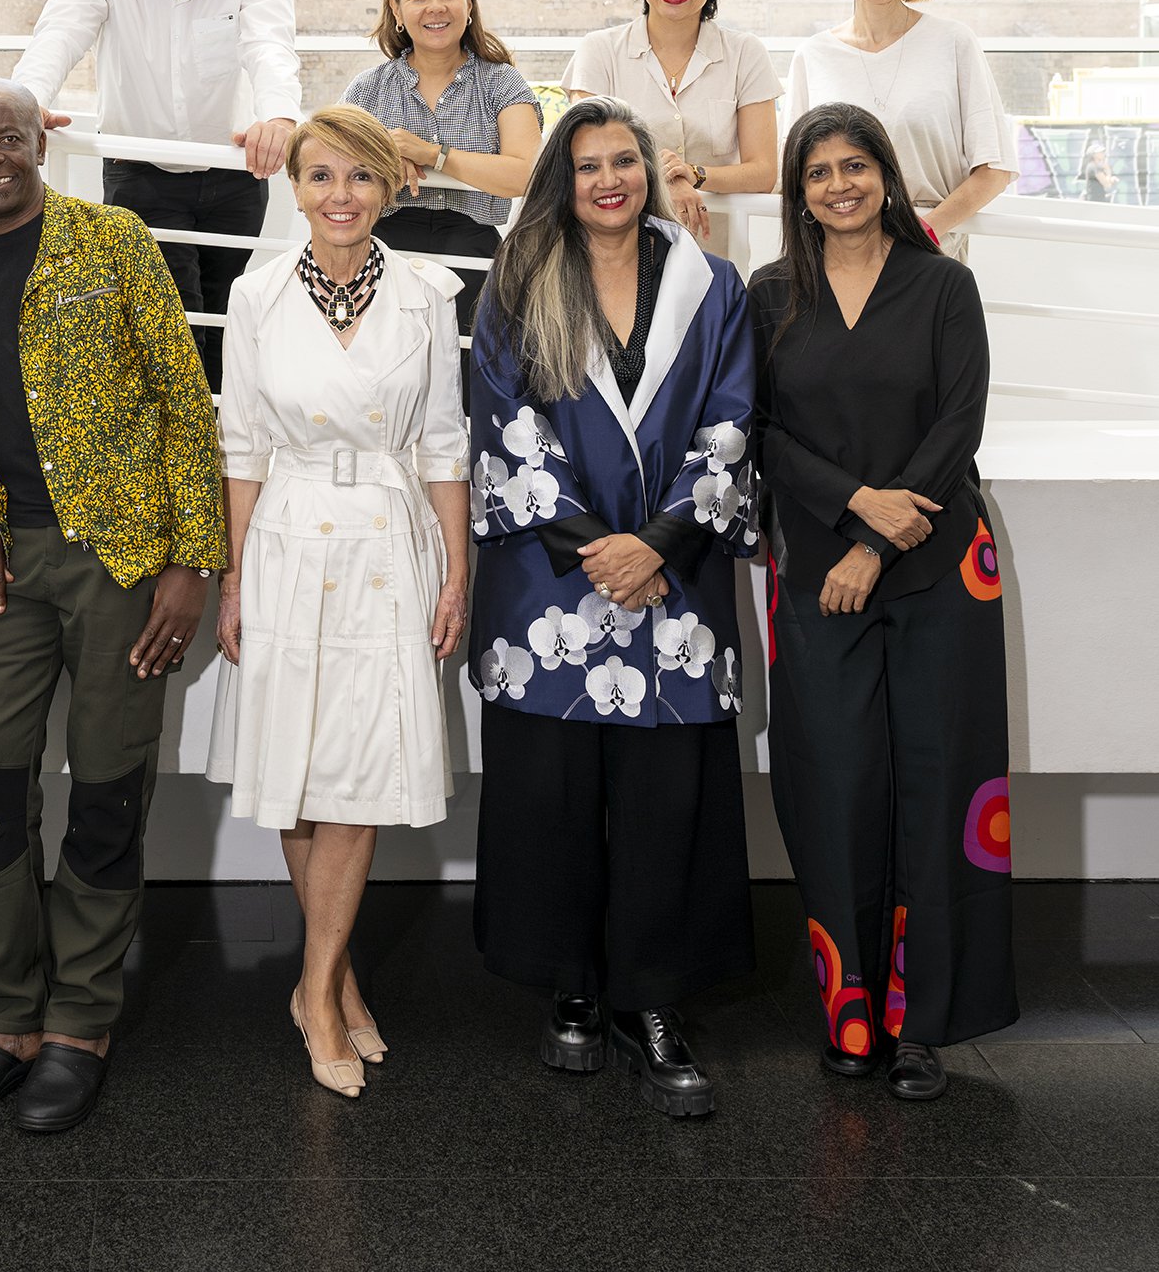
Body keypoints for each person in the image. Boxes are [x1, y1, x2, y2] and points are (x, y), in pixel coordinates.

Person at [0, 80, 226, 1133]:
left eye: (7, 137)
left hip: (121, 564)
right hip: (0, 578)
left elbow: (185, 400)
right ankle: (4, 1023)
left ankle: (80, 1024)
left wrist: (193, 563)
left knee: (102, 795)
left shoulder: (113, 241)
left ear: (41, 143)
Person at [466, 96, 759, 1120]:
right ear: (563, 176)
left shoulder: (710, 285)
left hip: (671, 580)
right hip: (555, 582)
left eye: (623, 160)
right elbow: (506, 431)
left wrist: (660, 543)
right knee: (548, 802)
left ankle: (654, 1001)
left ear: (649, 169)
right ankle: (574, 988)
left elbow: (731, 424)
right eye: (586, 163)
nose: (606, 179)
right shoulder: (516, 281)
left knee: (663, 804)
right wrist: (598, 550)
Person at [749, 102, 1018, 1101]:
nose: (838, 186)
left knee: (937, 785)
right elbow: (760, 432)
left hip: (941, 563)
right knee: (833, 785)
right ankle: (850, 1012)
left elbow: (960, 420)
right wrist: (854, 512)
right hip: (817, 572)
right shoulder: (769, 291)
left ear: (886, 176)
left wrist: (877, 535)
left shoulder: (943, 284)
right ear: (798, 193)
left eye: (855, 166)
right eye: (817, 173)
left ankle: (922, 1025)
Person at [206, 106, 470, 1099]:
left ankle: (313, 988)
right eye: (319, 176)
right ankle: (334, 979)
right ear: (294, 186)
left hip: (385, 543)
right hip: (284, 538)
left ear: (387, 185)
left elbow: (443, 441)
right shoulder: (256, 292)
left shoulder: (426, 294)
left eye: (358, 177)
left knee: (354, 773)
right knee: (301, 767)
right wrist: (233, 578)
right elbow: (241, 449)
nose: (339, 196)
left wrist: (457, 569)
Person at [11, 0, 303, 389]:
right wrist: (24, 105)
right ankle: (174, 459)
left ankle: (214, 457)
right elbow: (59, 34)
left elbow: (269, 43)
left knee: (223, 319)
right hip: (139, 173)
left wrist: (280, 117)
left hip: (235, 171)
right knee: (170, 327)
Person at [786, 0, 1015, 258]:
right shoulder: (813, 56)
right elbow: (796, 176)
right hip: (837, 253)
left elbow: (995, 170)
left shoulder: (953, 42)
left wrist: (924, 232)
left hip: (928, 249)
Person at [341, 0, 543, 352]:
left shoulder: (502, 82)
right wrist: (383, 160)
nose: (436, 7)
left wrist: (431, 154)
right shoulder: (367, 89)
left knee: (468, 376)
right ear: (396, 10)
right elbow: (335, 175)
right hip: (381, 244)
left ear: (469, 3)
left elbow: (525, 174)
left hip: (473, 249)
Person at [562, 0, 778, 268]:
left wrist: (693, 174)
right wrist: (669, 180)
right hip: (615, 251)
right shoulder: (598, 51)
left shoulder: (746, 54)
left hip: (715, 253)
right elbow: (586, 160)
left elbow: (762, 172)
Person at [1081, 138, 1118, 203]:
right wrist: (1108, 171)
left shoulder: (1093, 166)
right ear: (1094, 155)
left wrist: (1111, 179)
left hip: (1096, 200)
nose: (1103, 153)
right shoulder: (1094, 167)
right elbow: (1107, 185)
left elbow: (1104, 181)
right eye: (1100, 152)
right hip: (1095, 201)